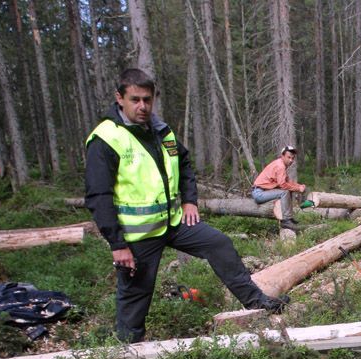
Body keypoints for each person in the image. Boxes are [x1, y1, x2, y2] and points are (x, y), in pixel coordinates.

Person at [85, 69, 288, 343]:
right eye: (135, 99)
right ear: (119, 98)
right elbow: (99, 196)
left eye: (147, 99)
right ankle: (127, 351)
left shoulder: (160, 130)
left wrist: (190, 200)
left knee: (219, 244)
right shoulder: (106, 139)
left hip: (174, 223)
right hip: (137, 236)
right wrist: (117, 244)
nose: (142, 106)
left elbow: (184, 164)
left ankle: (256, 302)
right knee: (136, 292)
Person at [252, 146, 311, 234]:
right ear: (282, 156)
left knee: (288, 190)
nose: (291, 160)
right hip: (259, 193)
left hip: (264, 191)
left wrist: (299, 186)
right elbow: (283, 185)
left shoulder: (281, 165)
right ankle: (286, 221)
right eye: (289, 157)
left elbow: (288, 182)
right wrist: (298, 188)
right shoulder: (280, 166)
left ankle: (289, 218)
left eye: (292, 158)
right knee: (284, 192)